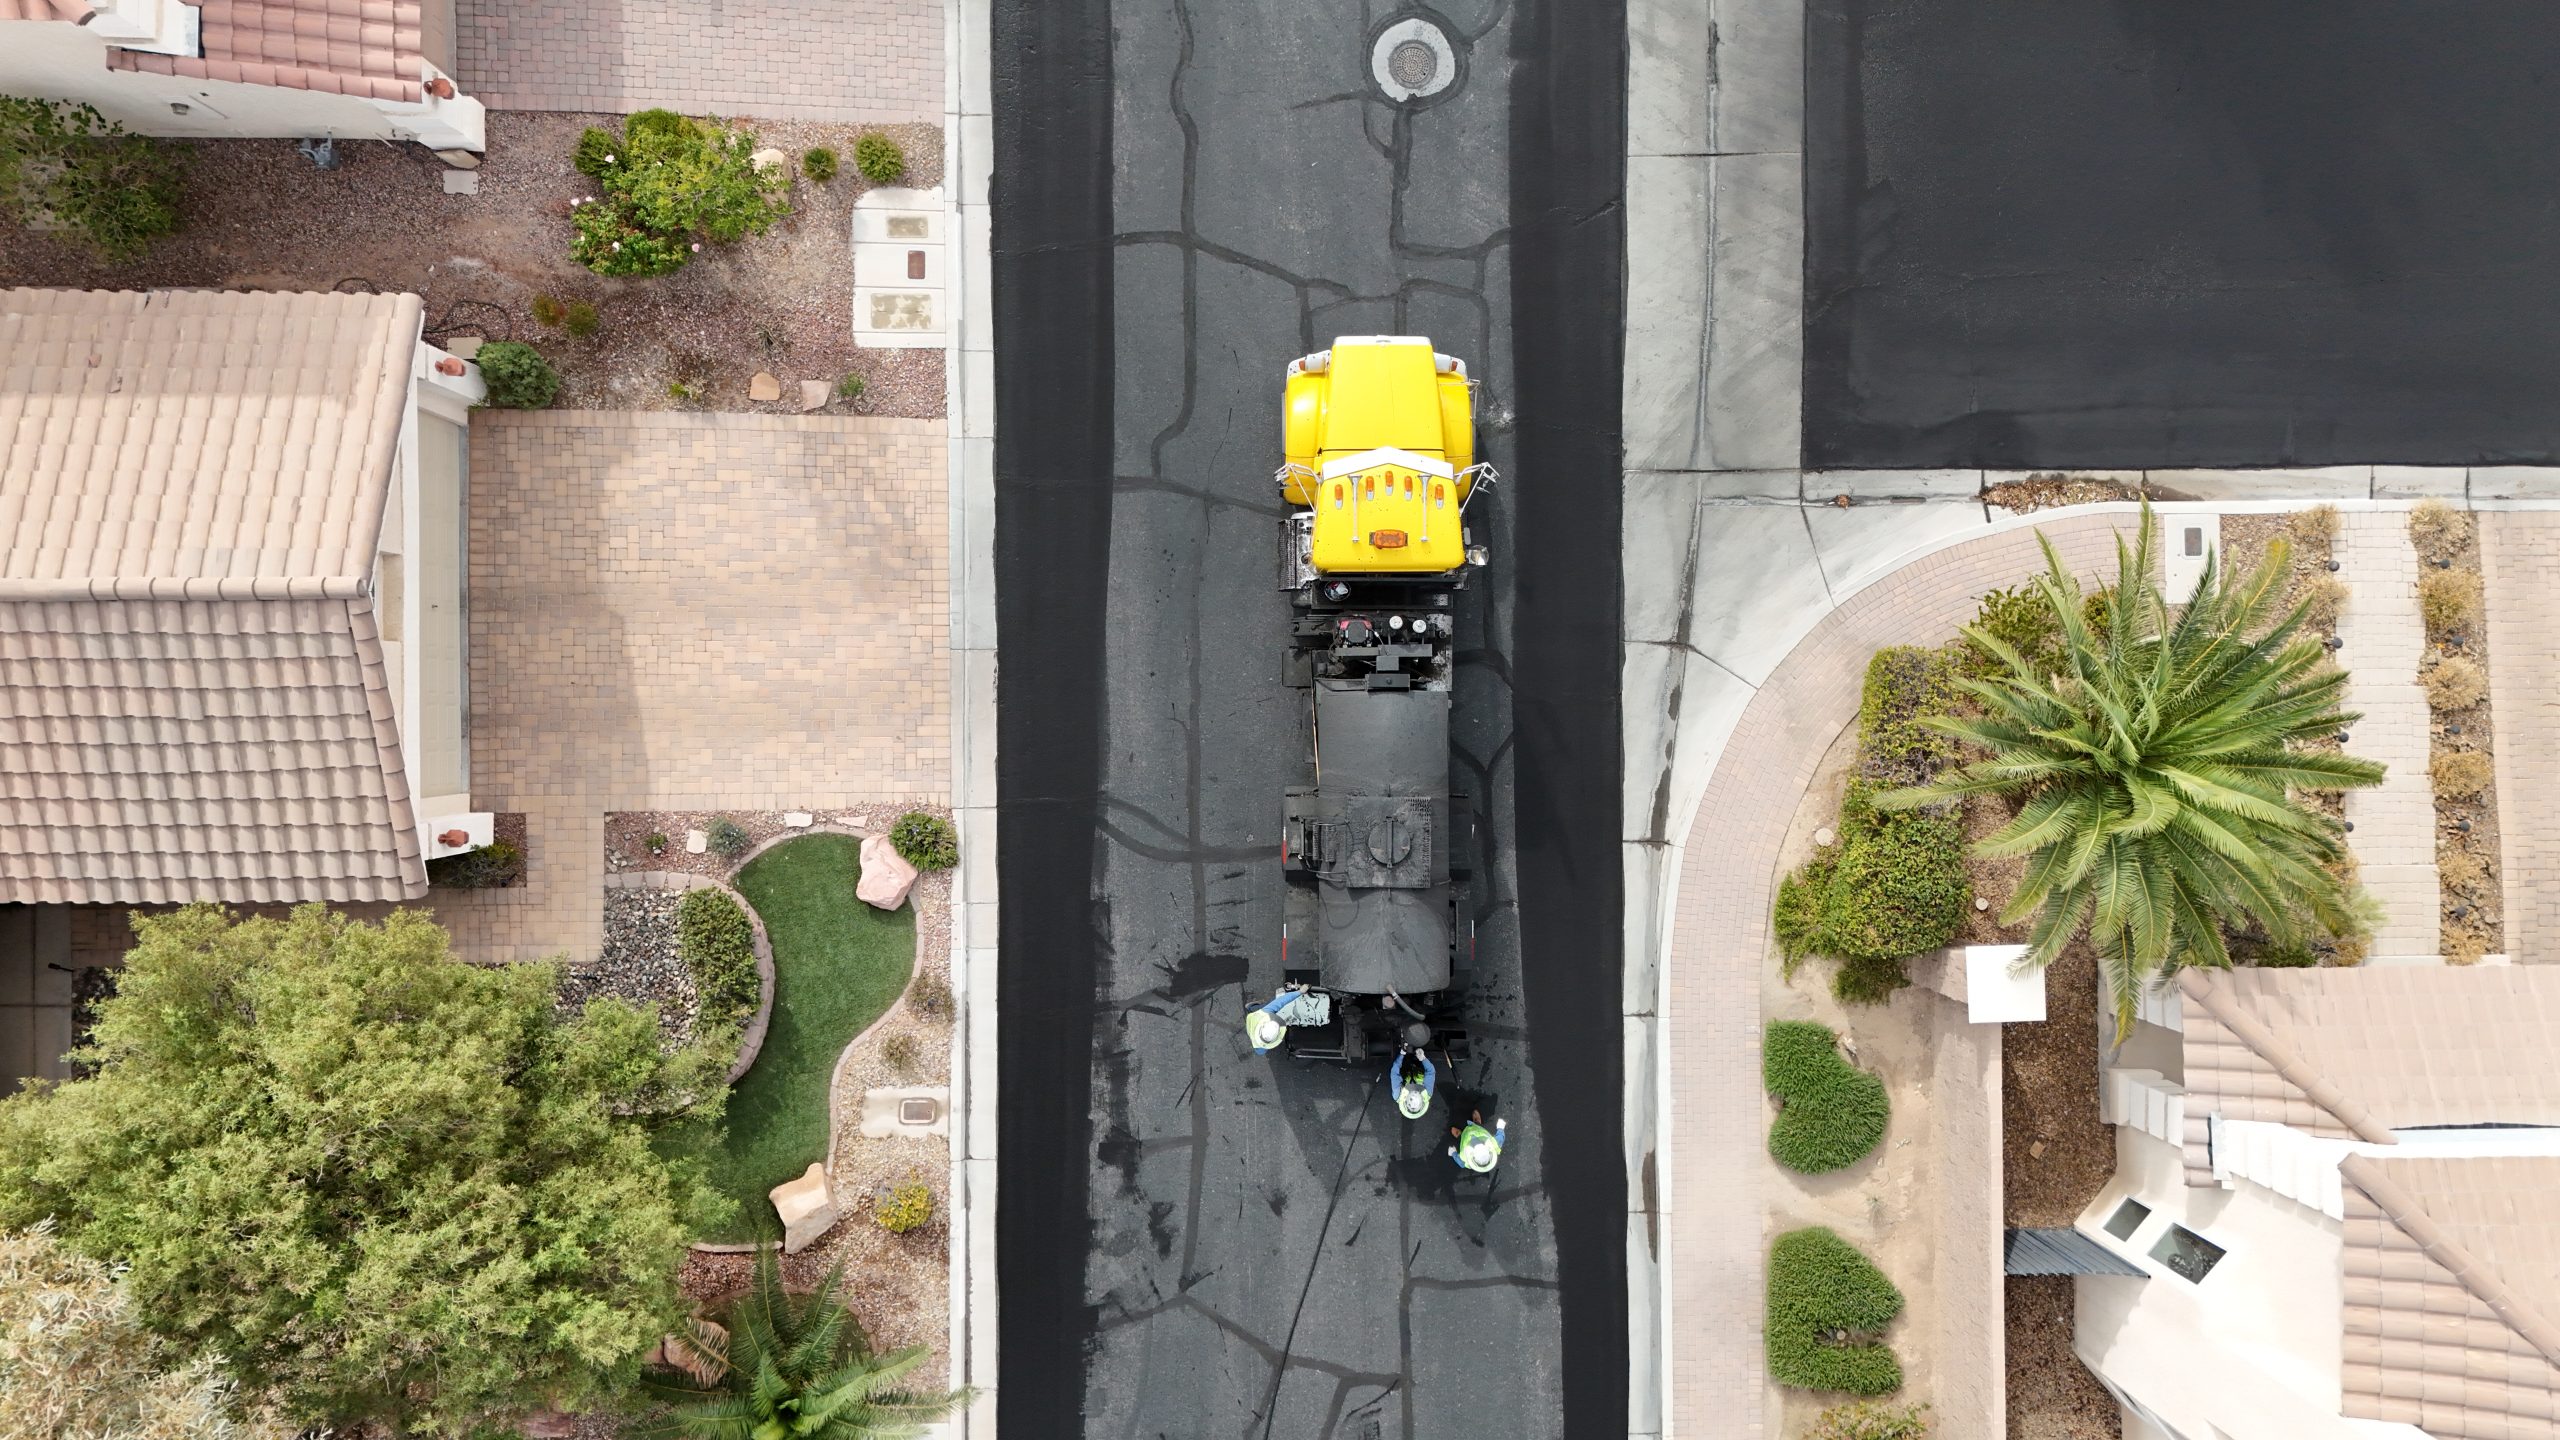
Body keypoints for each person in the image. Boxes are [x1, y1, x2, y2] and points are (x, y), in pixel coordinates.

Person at [1245, 984, 1306, 1053]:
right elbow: (1280, 1001)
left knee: (1264, 1007)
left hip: (1251, 1019)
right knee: (1269, 1005)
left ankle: (1250, 1007)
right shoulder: (1265, 1013)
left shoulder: (1264, 1014)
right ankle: (1251, 1007)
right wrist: (1300, 992)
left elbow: (1280, 1001)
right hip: (1252, 1020)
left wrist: (1299, 992)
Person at [1447, 1109, 1505, 1173]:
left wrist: (1453, 1153)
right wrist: (1500, 1128)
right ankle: (1476, 1123)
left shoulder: (1465, 1158)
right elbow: (1500, 1137)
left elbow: (1461, 1163)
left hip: (1465, 1138)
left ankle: (1460, 1134)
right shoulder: (1494, 1145)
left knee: (1462, 1138)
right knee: (1477, 1127)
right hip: (1478, 1130)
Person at [1389, 1047, 1436, 1120]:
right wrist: (1423, 1059)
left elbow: (1394, 1073)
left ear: (1406, 1098)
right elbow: (1430, 1072)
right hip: (1419, 1067)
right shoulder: (1427, 1093)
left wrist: (1401, 1055)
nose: (1414, 1088)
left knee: (1397, 1065)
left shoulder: (1397, 1095)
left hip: (1404, 1068)